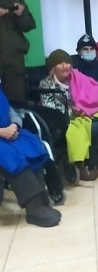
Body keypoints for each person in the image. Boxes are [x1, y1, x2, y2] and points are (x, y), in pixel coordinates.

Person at [39, 49, 98, 182]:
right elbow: (50, 108)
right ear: (53, 67)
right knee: (79, 130)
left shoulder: (77, 77)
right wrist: (72, 112)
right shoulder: (46, 84)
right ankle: (81, 163)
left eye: (67, 62)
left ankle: (92, 157)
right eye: (60, 63)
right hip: (60, 118)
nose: (65, 66)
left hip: (84, 113)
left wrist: (85, 108)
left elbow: (93, 91)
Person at [0, 86, 61, 227]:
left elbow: (11, 111)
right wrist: (2, 132)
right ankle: (34, 207)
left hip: (8, 132)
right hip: (1, 135)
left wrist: (14, 125)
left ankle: (41, 199)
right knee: (11, 158)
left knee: (32, 145)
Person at [0, 0, 37, 104]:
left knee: (16, 103)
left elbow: (29, 26)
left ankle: (16, 126)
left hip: (13, 62)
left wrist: (20, 15)